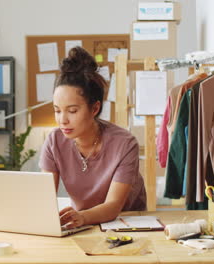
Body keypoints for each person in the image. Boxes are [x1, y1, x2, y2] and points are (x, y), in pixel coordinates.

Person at [39, 46, 147, 229]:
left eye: (72, 111)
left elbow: (113, 206)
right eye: (57, 111)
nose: (62, 120)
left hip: (126, 223)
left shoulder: (124, 144)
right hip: (82, 224)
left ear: (95, 108)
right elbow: (44, 197)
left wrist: (81, 217)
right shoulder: (54, 142)